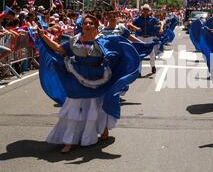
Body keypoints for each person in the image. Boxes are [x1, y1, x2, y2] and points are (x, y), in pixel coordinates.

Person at [35, 15, 140, 153]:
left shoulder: (103, 41)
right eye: (85, 23)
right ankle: (69, 140)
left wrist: (111, 58)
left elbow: (119, 51)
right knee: (73, 106)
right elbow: (60, 49)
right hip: (78, 77)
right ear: (82, 26)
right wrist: (44, 37)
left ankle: (103, 129)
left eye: (91, 23)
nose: (88, 25)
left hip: (99, 77)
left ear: (96, 26)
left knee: (98, 105)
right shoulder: (74, 41)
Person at [130, 4, 161, 75]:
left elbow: (160, 22)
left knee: (152, 54)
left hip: (149, 38)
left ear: (149, 11)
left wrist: (161, 28)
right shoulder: (138, 19)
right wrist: (136, 28)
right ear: (142, 10)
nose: (146, 11)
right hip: (140, 38)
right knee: (139, 54)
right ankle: (139, 71)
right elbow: (130, 24)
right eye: (144, 9)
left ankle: (153, 66)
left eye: (147, 9)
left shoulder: (152, 19)